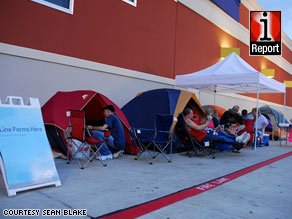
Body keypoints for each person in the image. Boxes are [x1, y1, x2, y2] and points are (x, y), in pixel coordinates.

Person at [183, 108, 250, 151]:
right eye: (192, 113)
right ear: (189, 114)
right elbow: (199, 128)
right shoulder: (188, 121)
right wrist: (207, 121)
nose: (193, 115)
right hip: (202, 137)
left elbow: (199, 125)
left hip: (205, 134)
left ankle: (237, 138)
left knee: (220, 133)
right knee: (220, 137)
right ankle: (237, 141)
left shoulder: (190, 120)